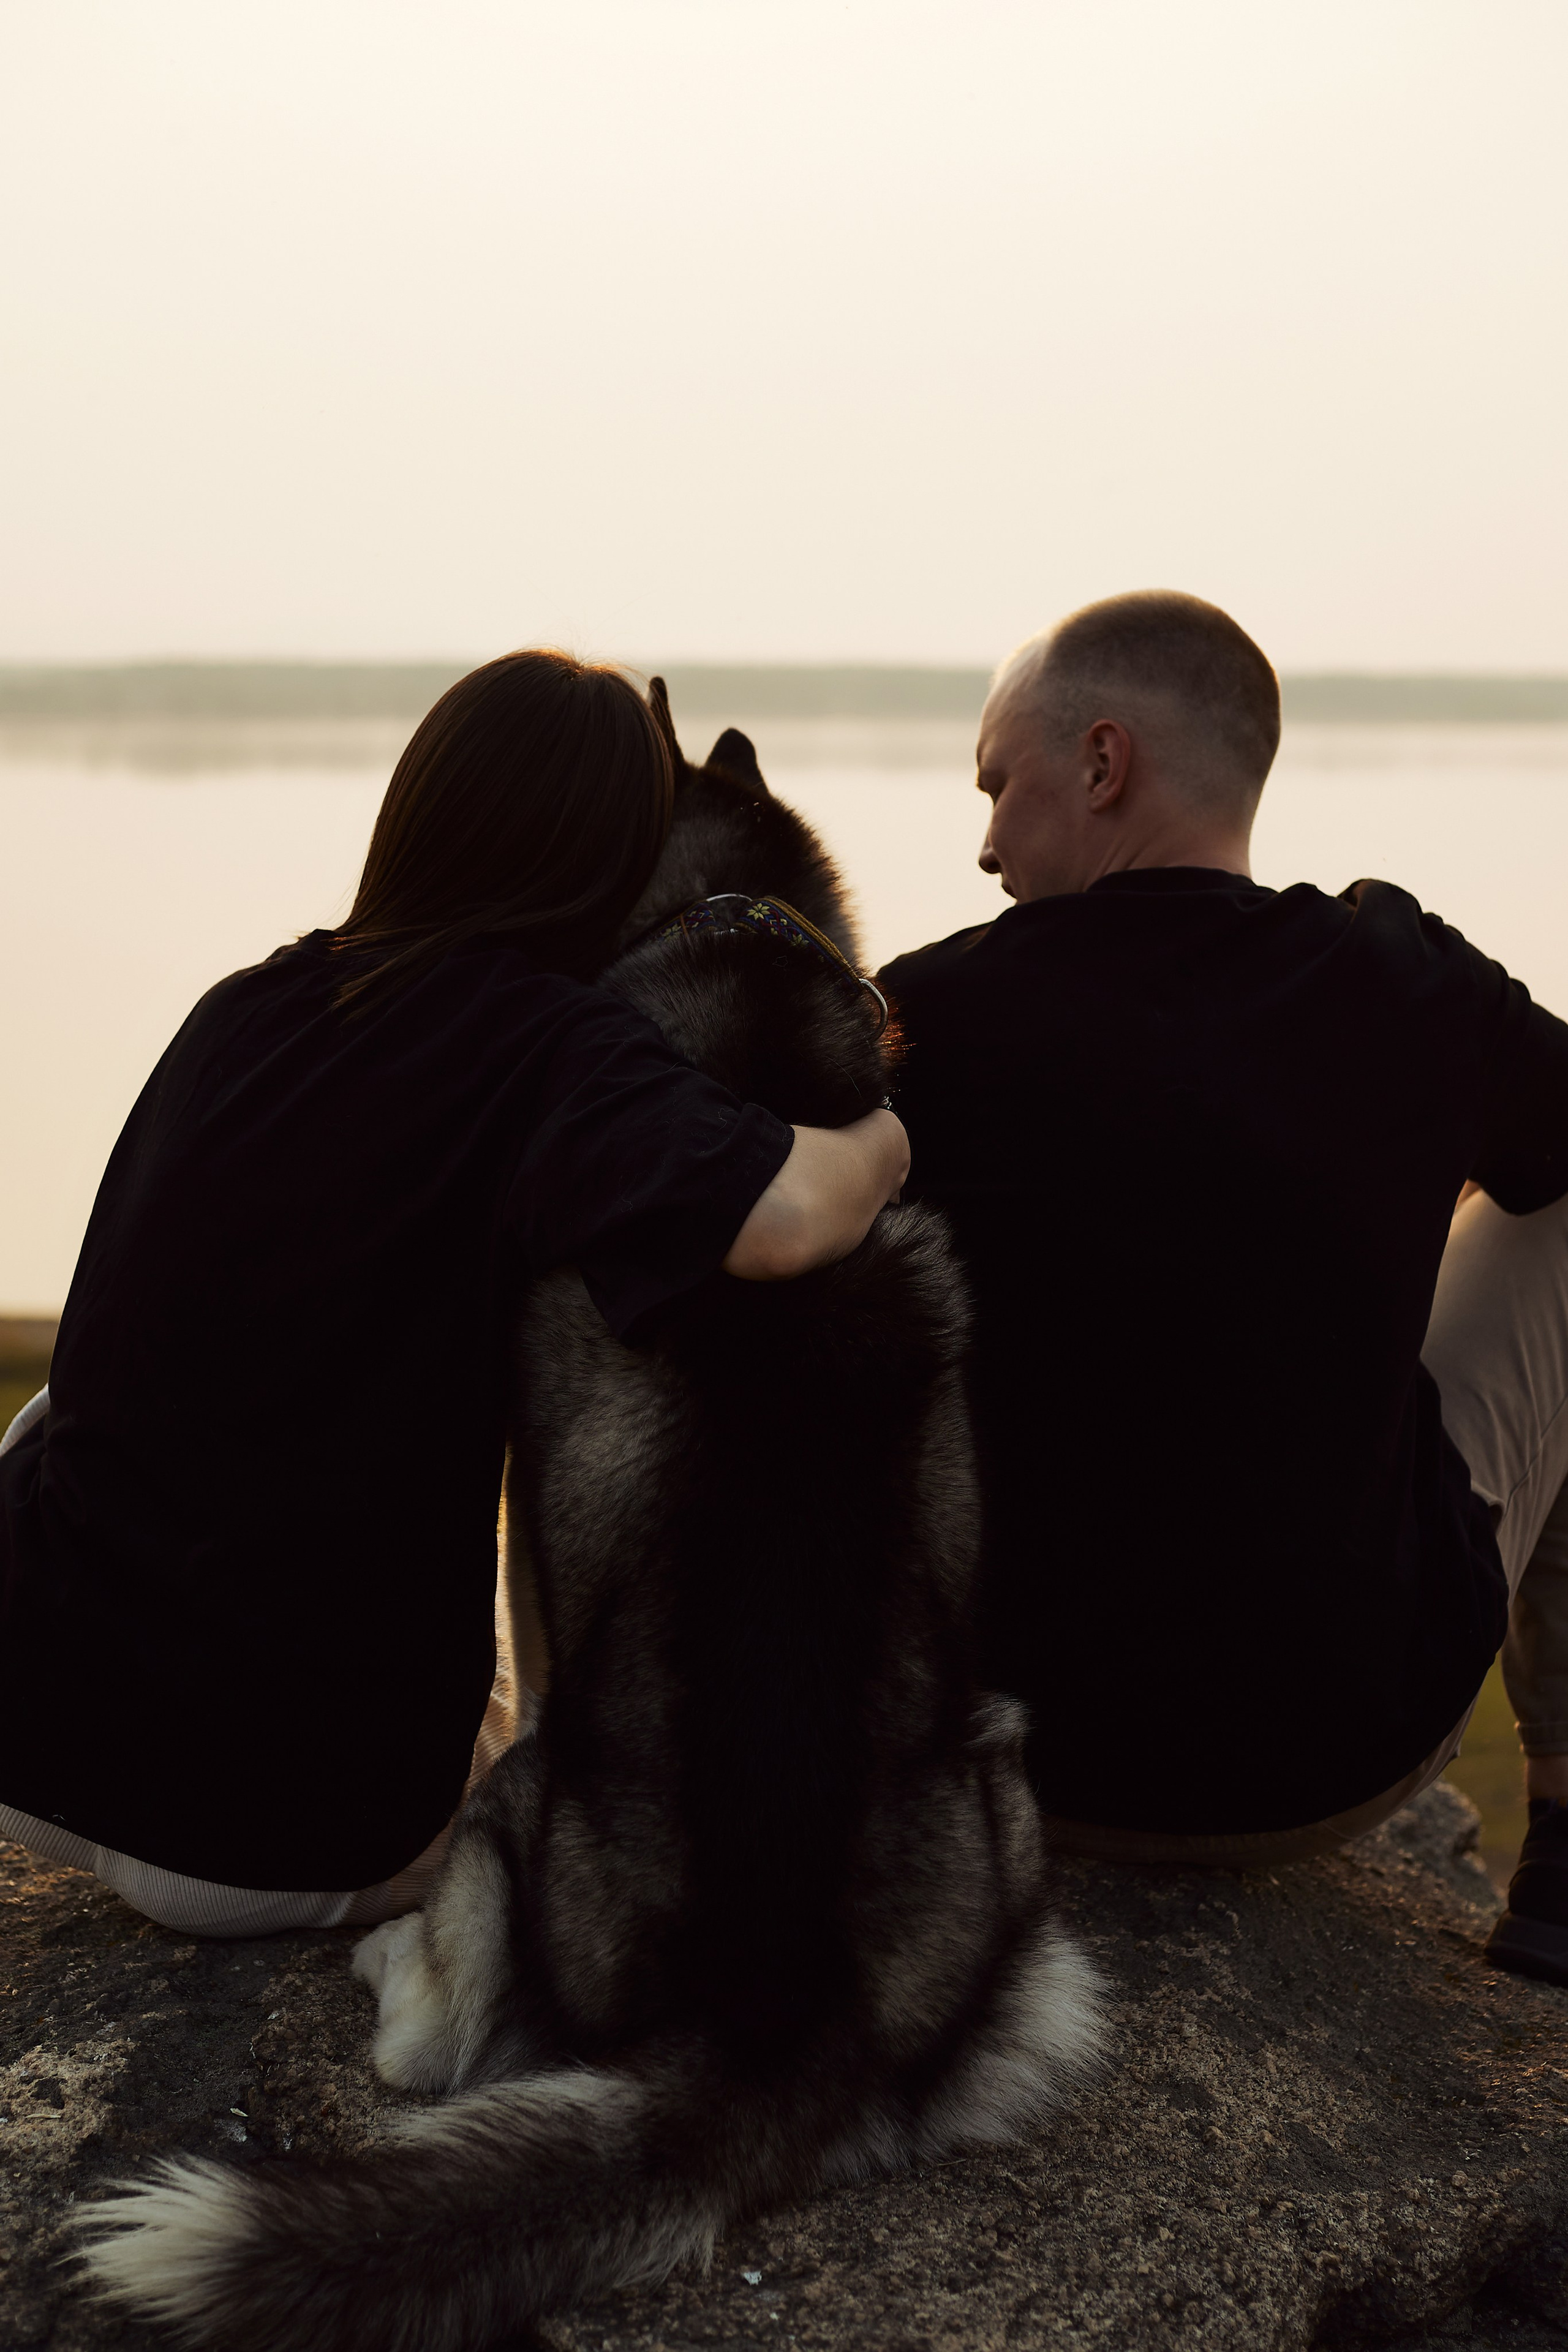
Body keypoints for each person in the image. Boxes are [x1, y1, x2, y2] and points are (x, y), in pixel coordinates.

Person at [0, 649, 908, 1939]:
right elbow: (788, 1221)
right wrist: (886, 1131)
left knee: (61, 1421)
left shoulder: (242, 1006)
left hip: (37, 1722)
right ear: (617, 856)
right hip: (276, 1835)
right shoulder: (555, 1051)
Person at [879, 590, 1568, 1982]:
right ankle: (1562, 1848)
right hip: (1328, 1758)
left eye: (998, 785)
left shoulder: (923, 1015)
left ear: (1102, 762)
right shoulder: (1403, 983)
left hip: (989, 1755)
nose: (985, 843)